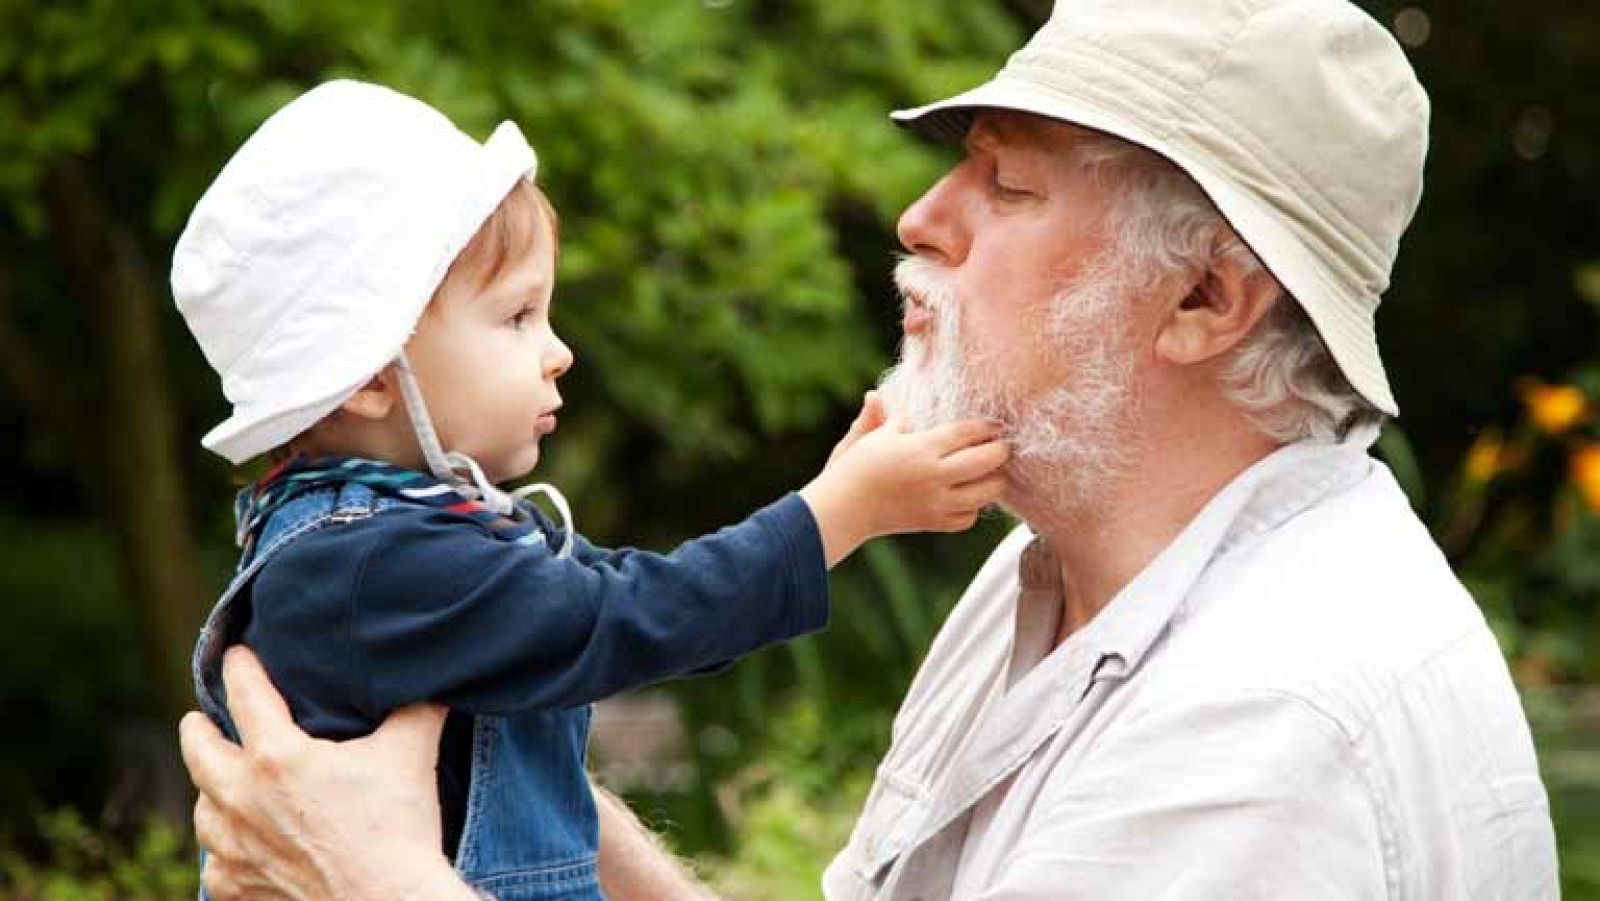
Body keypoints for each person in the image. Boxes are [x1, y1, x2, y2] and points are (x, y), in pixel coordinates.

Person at [179, 0, 1562, 898]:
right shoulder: (1048, 580)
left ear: (1203, 298)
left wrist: (379, 877)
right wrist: (518, 789)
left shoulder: (1266, 733)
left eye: (1005, 182)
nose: (919, 216)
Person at [171, 80, 1010, 901]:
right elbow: (633, 615)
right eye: (516, 317)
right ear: (371, 378)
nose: (558, 350)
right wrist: (841, 513)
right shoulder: (373, 565)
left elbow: (643, 599)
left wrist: (833, 495)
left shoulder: (409, 538)